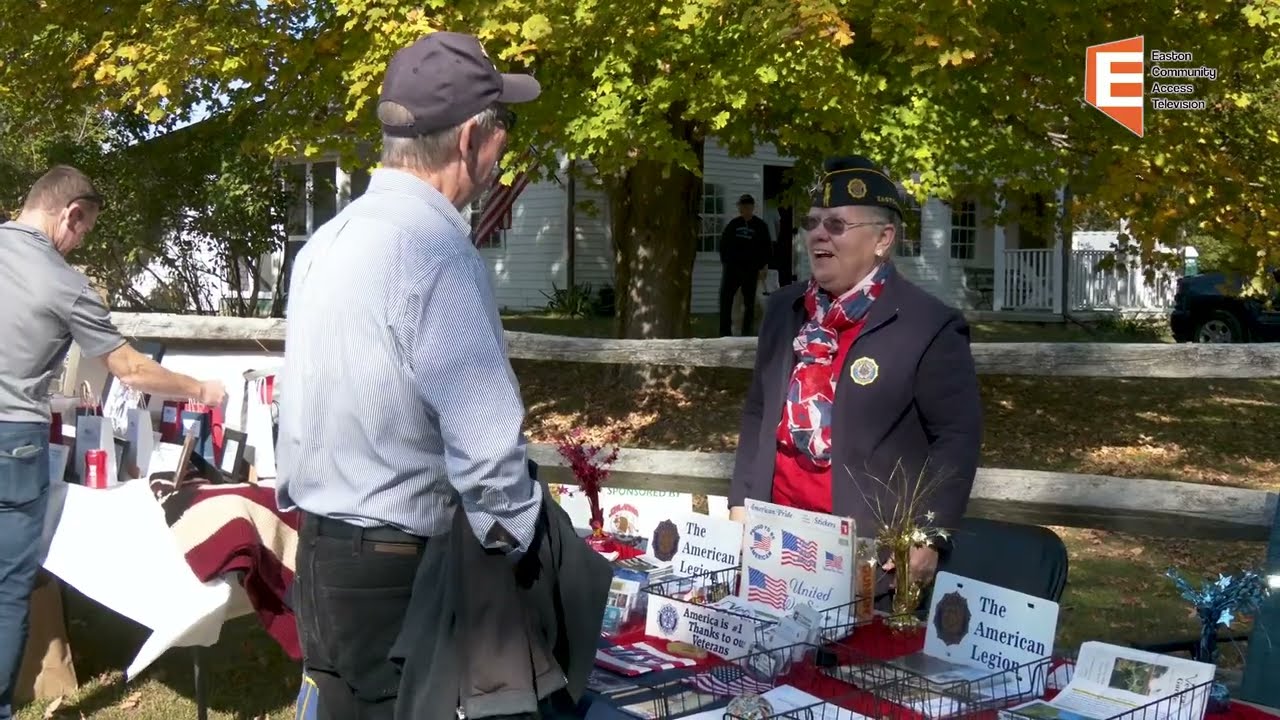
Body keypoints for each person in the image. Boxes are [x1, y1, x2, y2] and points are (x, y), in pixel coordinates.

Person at [275, 31, 551, 718]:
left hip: (321, 552)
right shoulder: (436, 252)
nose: (504, 148)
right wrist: (523, 557)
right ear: (470, 139)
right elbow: (488, 452)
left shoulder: (327, 241)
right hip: (399, 567)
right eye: (503, 128)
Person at [0, 165, 226, 719]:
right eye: (84, 231)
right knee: (6, 589)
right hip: (13, 441)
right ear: (70, 213)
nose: (80, 243)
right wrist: (201, 388)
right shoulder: (62, 281)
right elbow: (130, 369)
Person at [726, 155, 982, 606]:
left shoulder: (928, 324)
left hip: (865, 554)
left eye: (837, 225)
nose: (818, 234)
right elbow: (759, 409)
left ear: (883, 239)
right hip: (773, 540)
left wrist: (929, 533)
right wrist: (740, 501)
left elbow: (956, 436)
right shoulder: (784, 310)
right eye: (813, 222)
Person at [718, 193, 772, 336]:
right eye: (742, 207)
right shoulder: (733, 225)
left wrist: (763, 266)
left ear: (752, 208)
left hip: (751, 269)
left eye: (748, 207)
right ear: (739, 208)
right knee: (726, 298)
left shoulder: (760, 226)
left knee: (749, 302)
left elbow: (767, 248)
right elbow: (723, 245)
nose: (745, 209)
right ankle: (724, 332)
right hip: (732, 269)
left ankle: (746, 332)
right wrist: (726, 262)